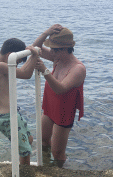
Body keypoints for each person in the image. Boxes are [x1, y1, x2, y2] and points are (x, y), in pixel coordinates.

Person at [33, 24, 86, 166]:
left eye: (54, 49)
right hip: (50, 105)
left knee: (57, 152)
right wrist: (47, 32)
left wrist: (44, 70)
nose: (51, 52)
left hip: (64, 111)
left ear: (64, 49)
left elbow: (60, 89)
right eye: (50, 48)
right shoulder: (58, 57)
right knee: (43, 141)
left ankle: (59, 174)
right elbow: (34, 48)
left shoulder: (78, 69)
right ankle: (44, 167)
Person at [0, 38, 39, 165]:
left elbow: (23, 70)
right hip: (7, 117)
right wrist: (35, 55)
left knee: (29, 139)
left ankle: (22, 167)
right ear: (9, 56)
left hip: (10, 115)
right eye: (17, 61)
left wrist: (33, 53)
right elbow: (26, 74)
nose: (16, 65)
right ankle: (23, 176)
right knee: (25, 151)